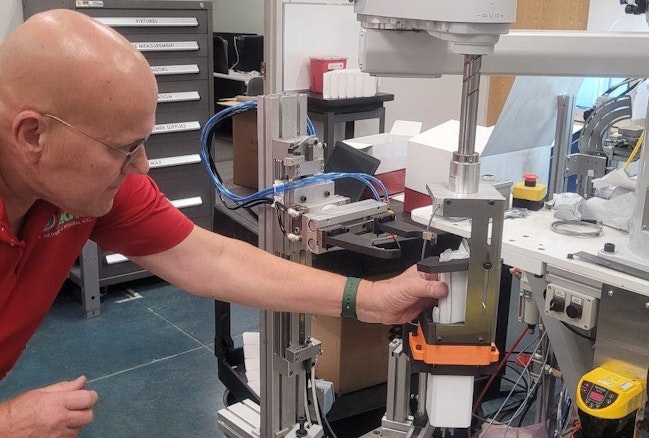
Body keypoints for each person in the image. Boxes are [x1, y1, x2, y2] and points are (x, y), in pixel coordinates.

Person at [0, 9, 448, 437]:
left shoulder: (87, 186)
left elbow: (207, 259)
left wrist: (373, 299)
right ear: (32, 135)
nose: (142, 166)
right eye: (124, 147)